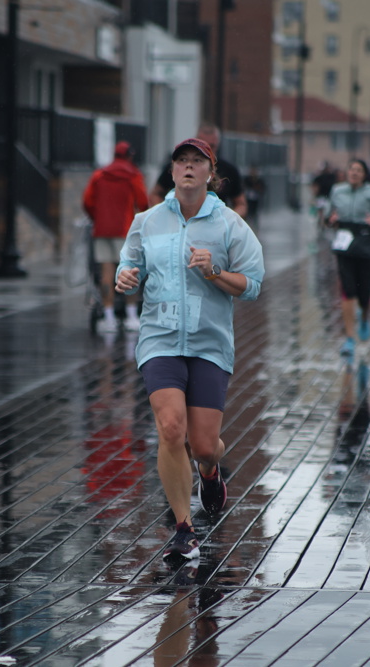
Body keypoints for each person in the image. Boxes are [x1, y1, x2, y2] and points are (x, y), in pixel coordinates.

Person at [116, 137, 264, 560]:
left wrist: (215, 272)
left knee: (202, 445)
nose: (187, 167)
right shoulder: (147, 221)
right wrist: (124, 276)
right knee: (170, 429)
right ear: (172, 171)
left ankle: (209, 469)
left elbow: (253, 284)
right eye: (180, 160)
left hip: (209, 343)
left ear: (210, 173)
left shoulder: (229, 225)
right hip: (159, 340)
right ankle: (184, 529)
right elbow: (129, 263)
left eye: (196, 161)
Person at [325, 159, 370, 359]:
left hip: (366, 245)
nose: (354, 173)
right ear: (347, 172)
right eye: (351, 169)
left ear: (364, 174)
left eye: (358, 170)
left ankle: (364, 317)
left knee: (364, 292)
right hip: (344, 244)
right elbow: (327, 216)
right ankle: (349, 338)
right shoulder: (338, 191)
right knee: (348, 290)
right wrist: (330, 220)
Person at [82, 141, 149, 333]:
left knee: (106, 273)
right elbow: (143, 202)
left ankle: (109, 317)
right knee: (129, 271)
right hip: (125, 230)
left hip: (102, 230)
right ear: (129, 156)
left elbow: (87, 201)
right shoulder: (133, 175)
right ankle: (131, 316)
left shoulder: (100, 175)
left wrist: (98, 217)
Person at [149, 123, 248, 218]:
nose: (208, 150)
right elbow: (155, 194)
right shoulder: (177, 167)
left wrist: (226, 220)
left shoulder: (229, 170)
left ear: (211, 174)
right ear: (173, 171)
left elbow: (241, 204)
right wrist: (164, 216)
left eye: (212, 146)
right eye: (203, 145)